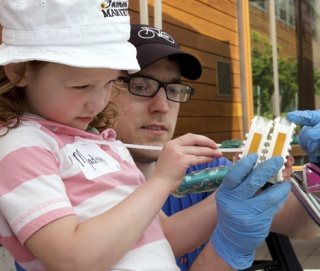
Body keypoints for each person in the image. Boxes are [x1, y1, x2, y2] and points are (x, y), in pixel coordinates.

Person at [0, 3, 292, 270]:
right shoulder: (20, 146)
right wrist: (162, 182)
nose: (98, 102)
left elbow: (161, 236)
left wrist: (230, 196)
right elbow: (71, 259)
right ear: (19, 70)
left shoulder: (99, 143)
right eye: (82, 87)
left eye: (108, 83)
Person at [110, 24, 320, 270]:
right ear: (101, 89)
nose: (163, 106)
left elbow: (304, 225)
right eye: (141, 86)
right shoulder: (78, 181)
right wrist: (228, 247)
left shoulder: (204, 168)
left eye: (173, 89)